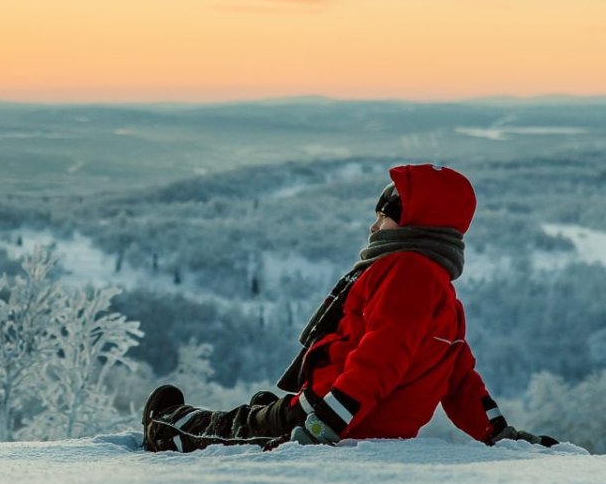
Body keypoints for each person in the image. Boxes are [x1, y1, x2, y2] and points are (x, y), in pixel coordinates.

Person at [142, 163, 556, 452]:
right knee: (264, 412)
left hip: (342, 414)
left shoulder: (405, 271)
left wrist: (329, 421)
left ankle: (171, 428)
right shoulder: (439, 288)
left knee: (237, 430)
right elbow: (458, 374)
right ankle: (255, 416)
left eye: (387, 215)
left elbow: (382, 354)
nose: (375, 226)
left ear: (420, 221)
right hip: (367, 418)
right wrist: (498, 432)